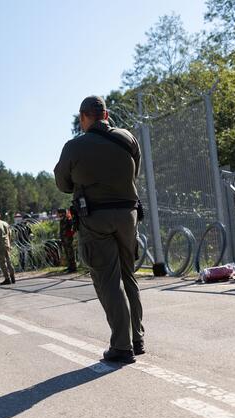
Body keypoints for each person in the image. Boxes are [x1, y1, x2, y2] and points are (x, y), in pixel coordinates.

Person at [53, 95, 144, 364]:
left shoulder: (74, 146)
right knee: (129, 276)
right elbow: (133, 172)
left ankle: (121, 346)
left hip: (95, 218)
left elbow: (63, 183)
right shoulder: (127, 138)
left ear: (84, 117)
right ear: (106, 114)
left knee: (108, 280)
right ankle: (137, 338)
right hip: (128, 215)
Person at [0, 210, 16, 285]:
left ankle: (7, 278)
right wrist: (9, 243)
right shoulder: (5, 223)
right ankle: (13, 277)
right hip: (7, 244)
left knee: (2, 262)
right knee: (9, 261)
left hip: (0, 245)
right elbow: (9, 234)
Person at [58, 208, 78, 272]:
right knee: (67, 253)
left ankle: (73, 267)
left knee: (70, 253)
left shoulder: (68, 219)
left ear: (63, 213)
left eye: (59, 213)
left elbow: (72, 227)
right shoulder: (62, 220)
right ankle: (69, 266)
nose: (58, 215)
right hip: (64, 238)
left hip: (68, 238)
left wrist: (70, 234)